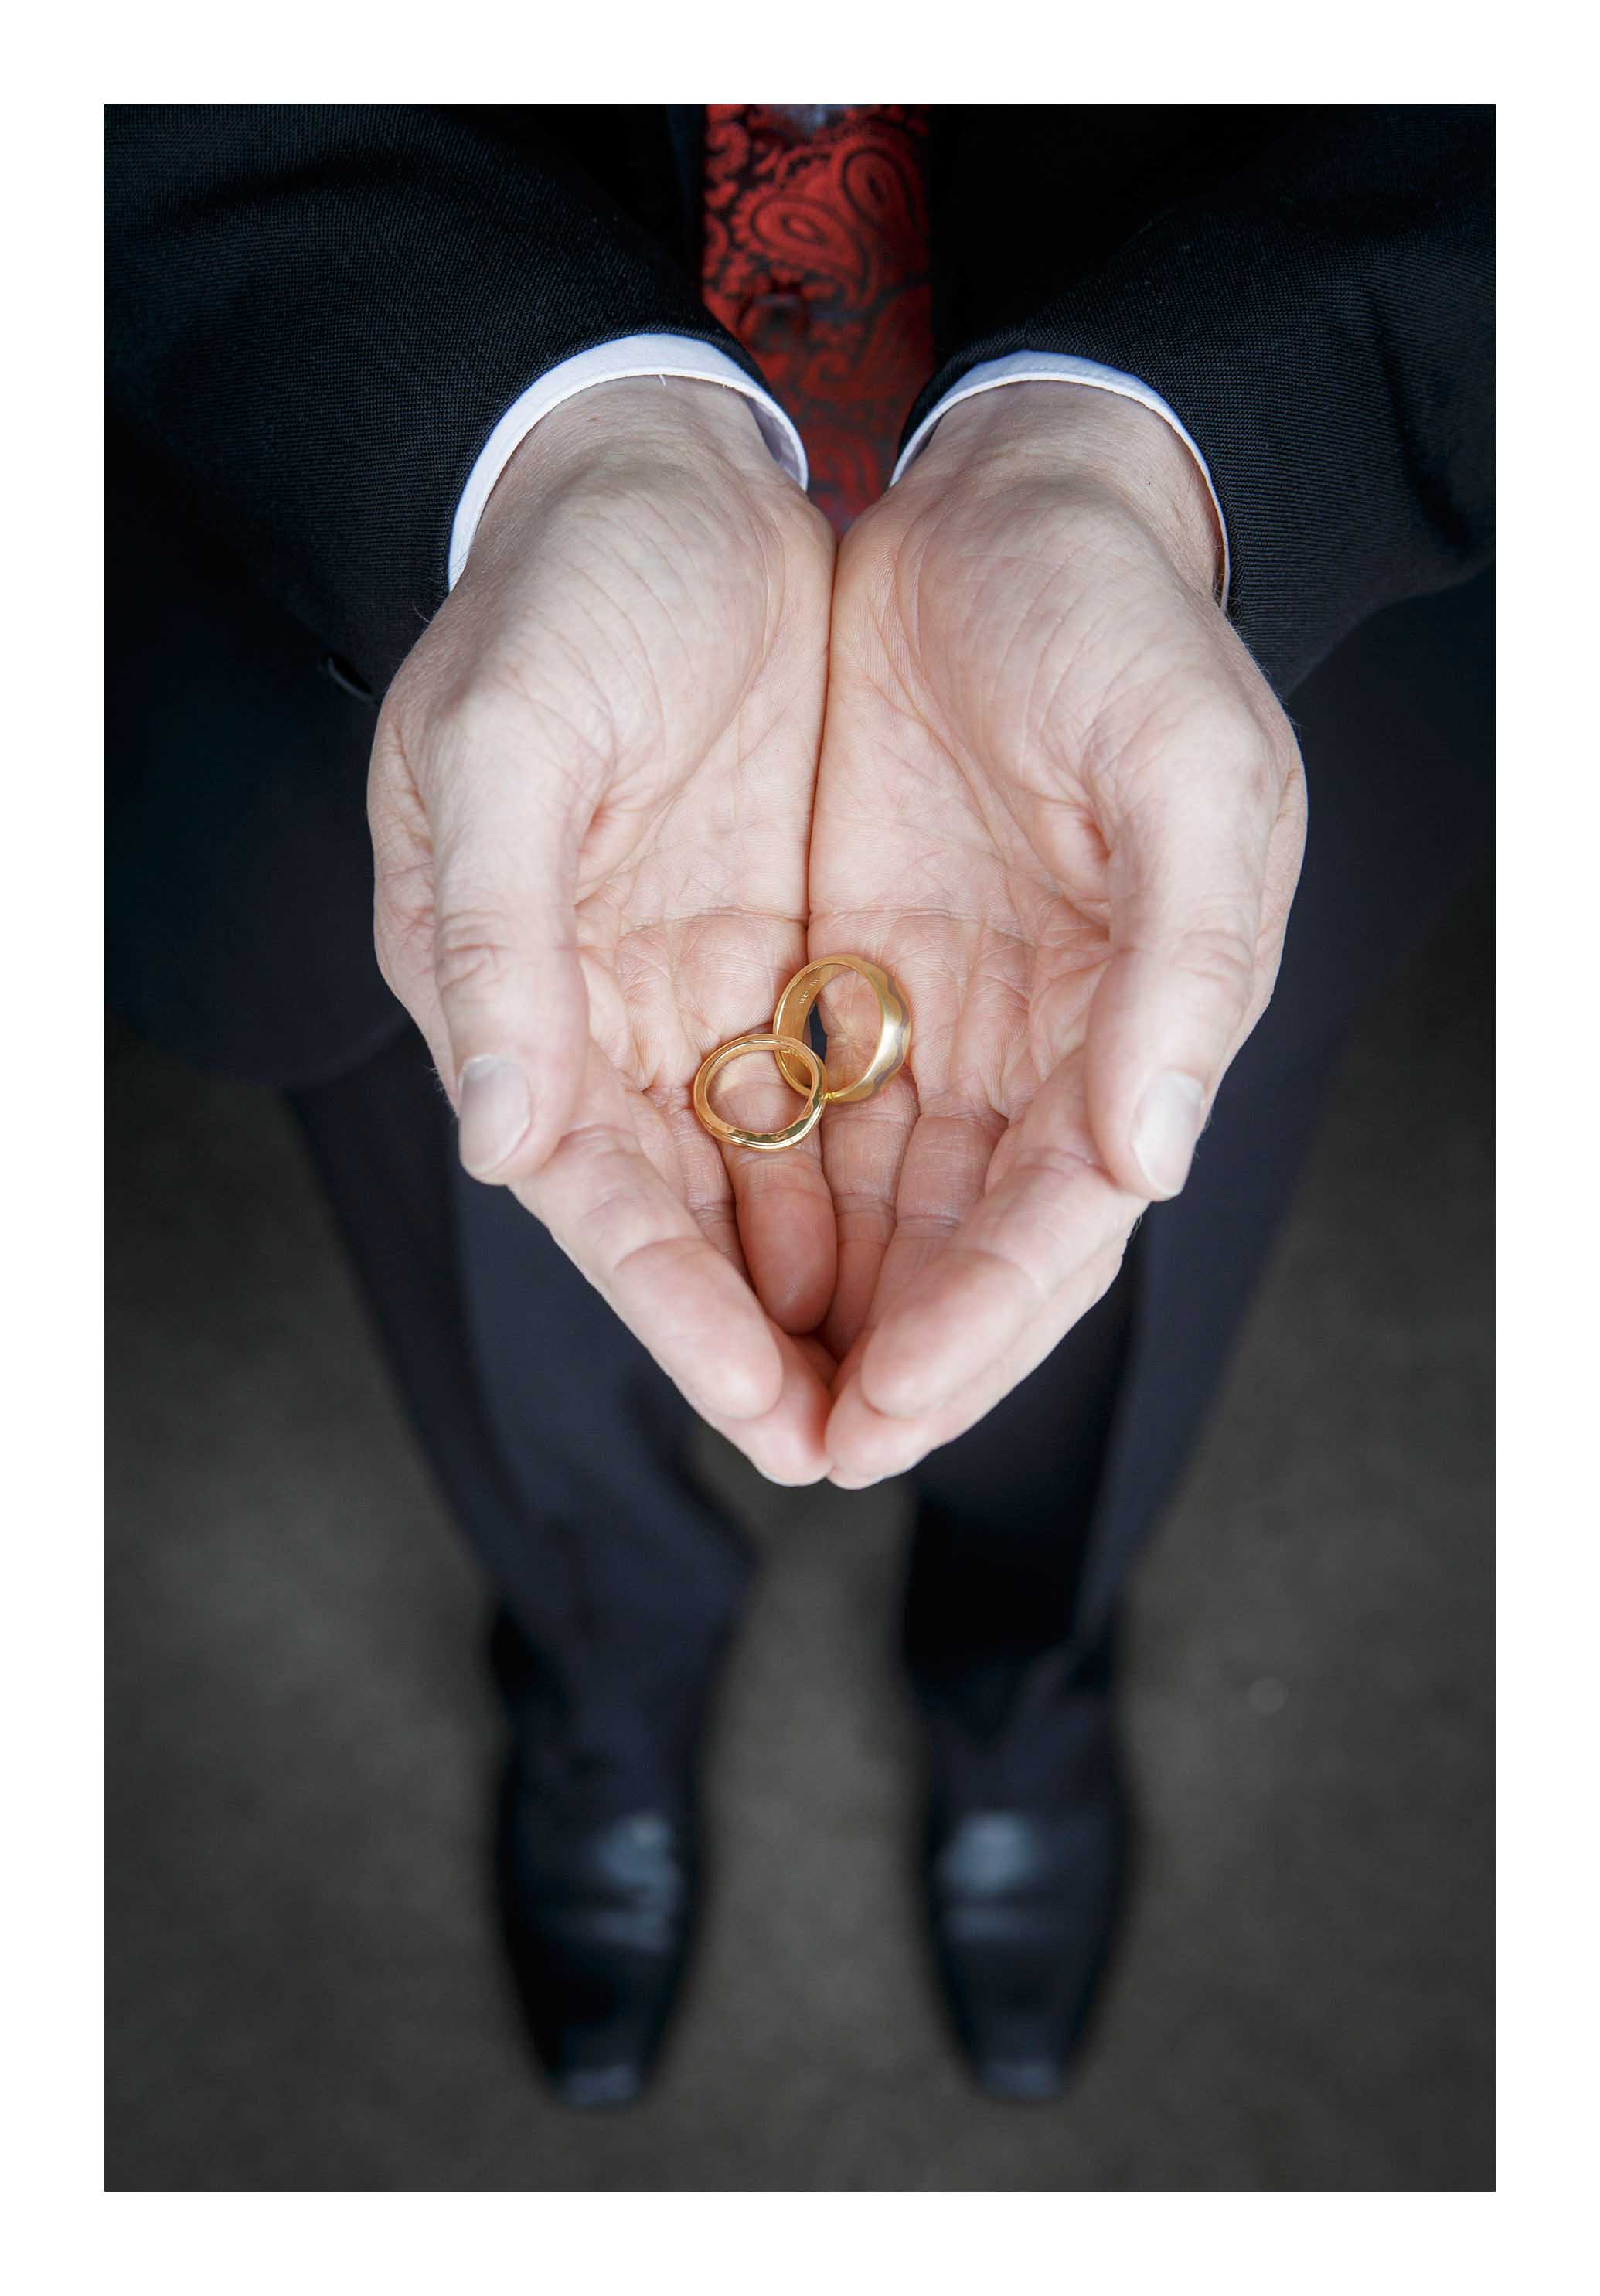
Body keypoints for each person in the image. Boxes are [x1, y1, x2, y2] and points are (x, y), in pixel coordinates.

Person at [106, 104, 1493, 2107]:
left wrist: (1162, 459)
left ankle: (1020, 1681)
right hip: (348, 594)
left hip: (1219, 626)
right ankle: (604, 1684)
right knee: (517, 1211)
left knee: (1095, 1211)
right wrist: (539, 449)